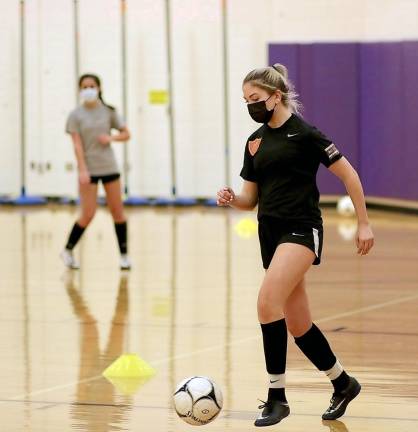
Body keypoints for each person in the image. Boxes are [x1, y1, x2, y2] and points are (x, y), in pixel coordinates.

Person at [217, 64, 374, 427]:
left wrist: (363, 223)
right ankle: (343, 383)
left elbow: (349, 174)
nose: (251, 106)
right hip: (269, 234)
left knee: (266, 302)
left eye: (255, 99)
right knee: (299, 324)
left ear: (276, 96)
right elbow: (249, 199)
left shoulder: (305, 134)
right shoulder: (254, 141)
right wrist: (231, 199)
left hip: (301, 231)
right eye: (245, 101)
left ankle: (277, 397)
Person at [61, 74, 131, 270]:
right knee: (88, 214)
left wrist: (111, 139)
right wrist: (82, 169)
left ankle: (124, 256)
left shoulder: (109, 112)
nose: (88, 89)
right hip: (88, 170)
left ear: (99, 88)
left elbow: (126, 133)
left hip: (109, 168)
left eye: (92, 85)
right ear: (80, 90)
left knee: (118, 212)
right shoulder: (75, 115)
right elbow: (76, 145)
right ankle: (67, 250)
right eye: (84, 86)